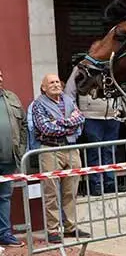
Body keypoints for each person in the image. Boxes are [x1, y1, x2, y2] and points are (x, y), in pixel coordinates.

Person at [31, 73, 88, 241]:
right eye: (51, 82)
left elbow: (81, 119)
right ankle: (53, 230)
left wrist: (60, 122)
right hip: (50, 150)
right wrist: (69, 123)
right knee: (51, 193)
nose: (56, 84)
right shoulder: (38, 105)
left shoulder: (69, 100)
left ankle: (70, 227)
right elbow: (46, 128)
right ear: (43, 88)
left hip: (71, 149)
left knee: (71, 191)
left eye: (57, 81)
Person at [0, 67, 28, 247]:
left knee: (4, 197)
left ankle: (4, 234)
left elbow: (23, 125)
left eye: (0, 74)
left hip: (8, 159)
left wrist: (21, 148)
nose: (0, 78)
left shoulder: (11, 98)